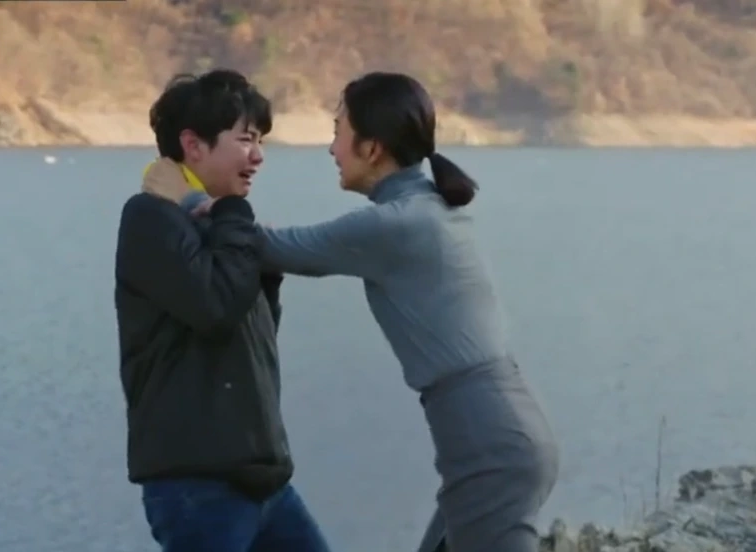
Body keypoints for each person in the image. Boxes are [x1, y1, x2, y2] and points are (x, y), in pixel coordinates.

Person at [164, 72, 561, 552]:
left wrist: (185, 196)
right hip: (496, 437)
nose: (332, 149)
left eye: (338, 132)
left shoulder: (397, 224)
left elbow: (272, 249)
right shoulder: (425, 207)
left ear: (372, 149)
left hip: (490, 445)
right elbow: (274, 245)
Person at [116, 69, 331, 552]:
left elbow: (254, 338)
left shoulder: (213, 222)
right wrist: (233, 218)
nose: (258, 156)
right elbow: (215, 309)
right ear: (193, 145)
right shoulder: (149, 219)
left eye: (260, 142)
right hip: (199, 488)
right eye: (246, 139)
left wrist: (246, 249)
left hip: (265, 482)